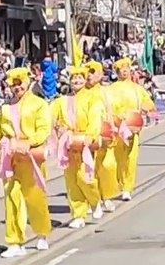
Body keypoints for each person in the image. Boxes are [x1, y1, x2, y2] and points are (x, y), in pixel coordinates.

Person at [0, 67, 53, 258]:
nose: (17, 87)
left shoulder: (39, 104)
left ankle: (42, 233)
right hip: (11, 159)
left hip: (31, 158)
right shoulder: (5, 108)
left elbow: (44, 129)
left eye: (20, 83)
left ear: (27, 83)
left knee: (35, 197)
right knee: (12, 197)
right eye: (13, 84)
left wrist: (28, 143)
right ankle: (14, 241)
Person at [52, 65, 104, 229]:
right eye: (74, 79)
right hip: (68, 143)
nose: (77, 81)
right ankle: (78, 214)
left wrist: (90, 136)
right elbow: (51, 117)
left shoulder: (92, 99)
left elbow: (96, 118)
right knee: (71, 180)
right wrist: (57, 127)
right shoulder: (62, 101)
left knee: (85, 177)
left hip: (84, 142)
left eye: (80, 78)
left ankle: (95, 202)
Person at [110, 58, 156, 201]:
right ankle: (119, 183)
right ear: (117, 72)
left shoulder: (137, 89)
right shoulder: (110, 89)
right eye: (121, 69)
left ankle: (127, 188)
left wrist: (146, 108)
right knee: (117, 159)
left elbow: (148, 102)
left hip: (133, 128)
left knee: (131, 158)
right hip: (117, 128)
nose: (124, 71)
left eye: (126, 68)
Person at [85, 60, 120, 214]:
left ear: (100, 75)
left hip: (104, 133)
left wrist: (113, 128)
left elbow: (111, 110)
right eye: (88, 72)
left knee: (107, 166)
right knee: (87, 168)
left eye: (93, 72)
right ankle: (90, 200)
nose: (89, 76)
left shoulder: (106, 92)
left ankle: (107, 197)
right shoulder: (82, 92)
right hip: (86, 135)